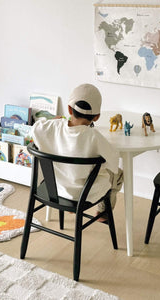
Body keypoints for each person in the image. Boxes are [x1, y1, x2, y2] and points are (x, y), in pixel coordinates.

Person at [31, 83, 123, 220]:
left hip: (55, 188)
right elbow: (113, 161)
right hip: (83, 194)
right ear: (97, 116)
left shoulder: (51, 127)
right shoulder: (95, 137)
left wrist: (54, 120)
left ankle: (76, 207)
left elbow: (35, 129)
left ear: (69, 109)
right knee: (118, 174)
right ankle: (104, 213)